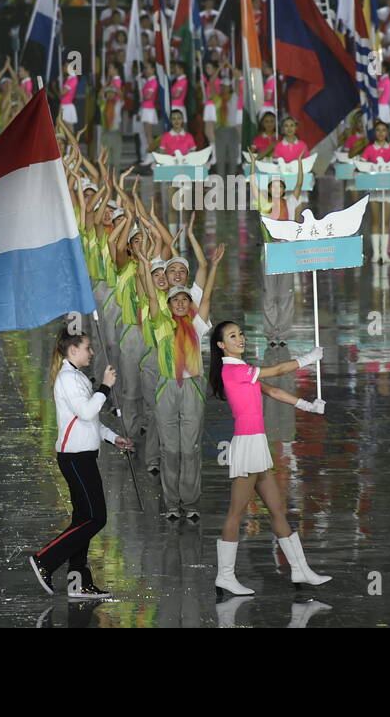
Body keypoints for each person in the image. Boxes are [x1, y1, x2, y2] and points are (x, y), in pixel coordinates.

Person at [208, 319, 328, 597]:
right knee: (236, 513)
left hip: (257, 444)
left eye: (241, 333)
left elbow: (273, 391)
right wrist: (307, 358)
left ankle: (300, 568)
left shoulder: (244, 370)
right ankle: (225, 576)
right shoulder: (233, 370)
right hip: (247, 445)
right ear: (221, 345)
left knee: (277, 510)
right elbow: (278, 370)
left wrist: (308, 406)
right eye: (233, 336)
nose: (240, 339)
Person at [28, 326, 134, 598]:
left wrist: (112, 438)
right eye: (87, 347)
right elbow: (87, 412)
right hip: (75, 458)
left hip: (83, 455)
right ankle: (45, 560)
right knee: (96, 518)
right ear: (72, 350)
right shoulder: (67, 379)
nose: (92, 352)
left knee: (83, 518)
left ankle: (79, 581)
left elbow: (91, 422)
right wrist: (105, 387)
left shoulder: (76, 377)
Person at [134, 233, 222, 523]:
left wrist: (215, 266)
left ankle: (191, 503)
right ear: (169, 305)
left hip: (192, 388)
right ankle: (172, 504)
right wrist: (146, 267)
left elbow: (206, 297)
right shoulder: (160, 325)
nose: (182, 303)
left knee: (190, 449)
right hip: (167, 389)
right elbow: (149, 296)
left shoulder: (197, 326)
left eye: (185, 300)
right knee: (170, 450)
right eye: (176, 300)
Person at [361, 120, 390, 263]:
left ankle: (384, 253)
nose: (380, 133)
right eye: (378, 130)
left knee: (386, 220)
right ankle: (375, 253)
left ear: (387, 133)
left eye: (383, 130)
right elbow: (362, 166)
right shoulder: (369, 149)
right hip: (374, 189)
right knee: (375, 220)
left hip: (389, 189)